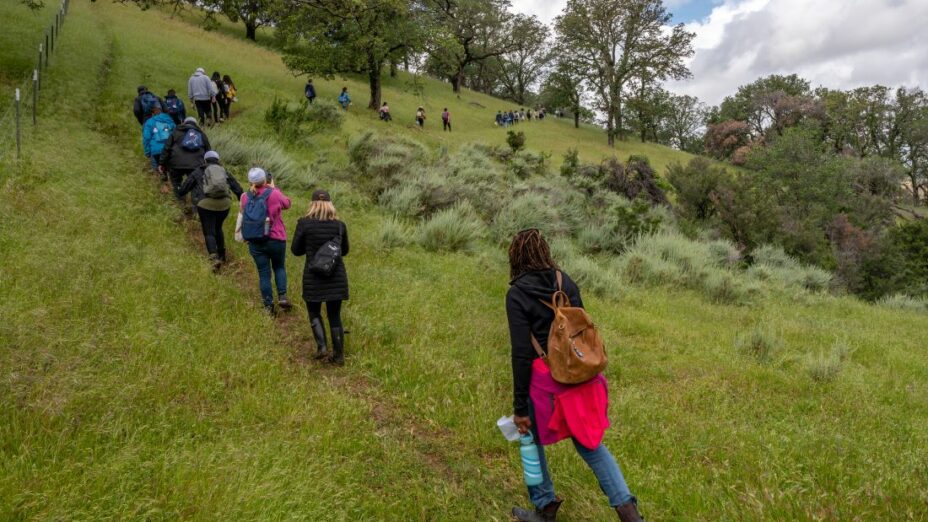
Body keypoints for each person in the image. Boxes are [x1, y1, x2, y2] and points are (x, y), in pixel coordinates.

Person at [506, 228, 642, 522]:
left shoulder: (517, 293)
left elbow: (520, 353)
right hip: (583, 377)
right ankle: (630, 513)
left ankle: (544, 508)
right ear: (545, 251)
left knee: (529, 437)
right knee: (591, 444)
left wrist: (519, 409)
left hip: (547, 384)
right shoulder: (563, 280)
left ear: (516, 257)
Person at [290, 189, 350, 365]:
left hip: (313, 276)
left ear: (312, 204)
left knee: (314, 311)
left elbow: (295, 250)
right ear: (330, 204)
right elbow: (344, 251)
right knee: (334, 315)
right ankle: (339, 356)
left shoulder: (304, 224)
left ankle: (322, 347)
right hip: (336, 276)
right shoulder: (340, 225)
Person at [177, 151, 244, 271]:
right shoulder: (223, 171)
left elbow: (184, 189)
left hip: (205, 204)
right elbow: (237, 188)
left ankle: (214, 258)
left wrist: (179, 192)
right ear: (218, 160)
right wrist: (242, 200)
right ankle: (222, 255)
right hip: (224, 205)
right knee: (218, 228)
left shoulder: (198, 172)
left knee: (209, 232)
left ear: (205, 161)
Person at [237, 168, 292, 315]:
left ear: (250, 181)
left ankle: (268, 307)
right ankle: (282, 296)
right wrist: (273, 188)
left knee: (263, 273)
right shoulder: (274, 193)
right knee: (279, 267)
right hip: (276, 238)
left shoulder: (244, 197)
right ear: (265, 180)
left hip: (255, 241)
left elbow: (243, 213)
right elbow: (287, 204)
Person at [159, 116, 211, 208]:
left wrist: (162, 163)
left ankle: (181, 203)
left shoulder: (175, 132)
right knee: (195, 184)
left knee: (176, 182)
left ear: (184, 123)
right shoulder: (200, 133)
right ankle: (195, 207)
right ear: (195, 124)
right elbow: (208, 151)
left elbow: (167, 148)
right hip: (196, 164)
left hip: (176, 164)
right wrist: (209, 165)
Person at [141, 104, 175, 177]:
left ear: (152, 113)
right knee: (171, 169)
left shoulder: (149, 122)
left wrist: (147, 152)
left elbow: (146, 138)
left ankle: (162, 183)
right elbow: (175, 134)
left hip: (156, 150)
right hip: (169, 148)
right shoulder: (169, 120)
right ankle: (172, 184)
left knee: (157, 169)